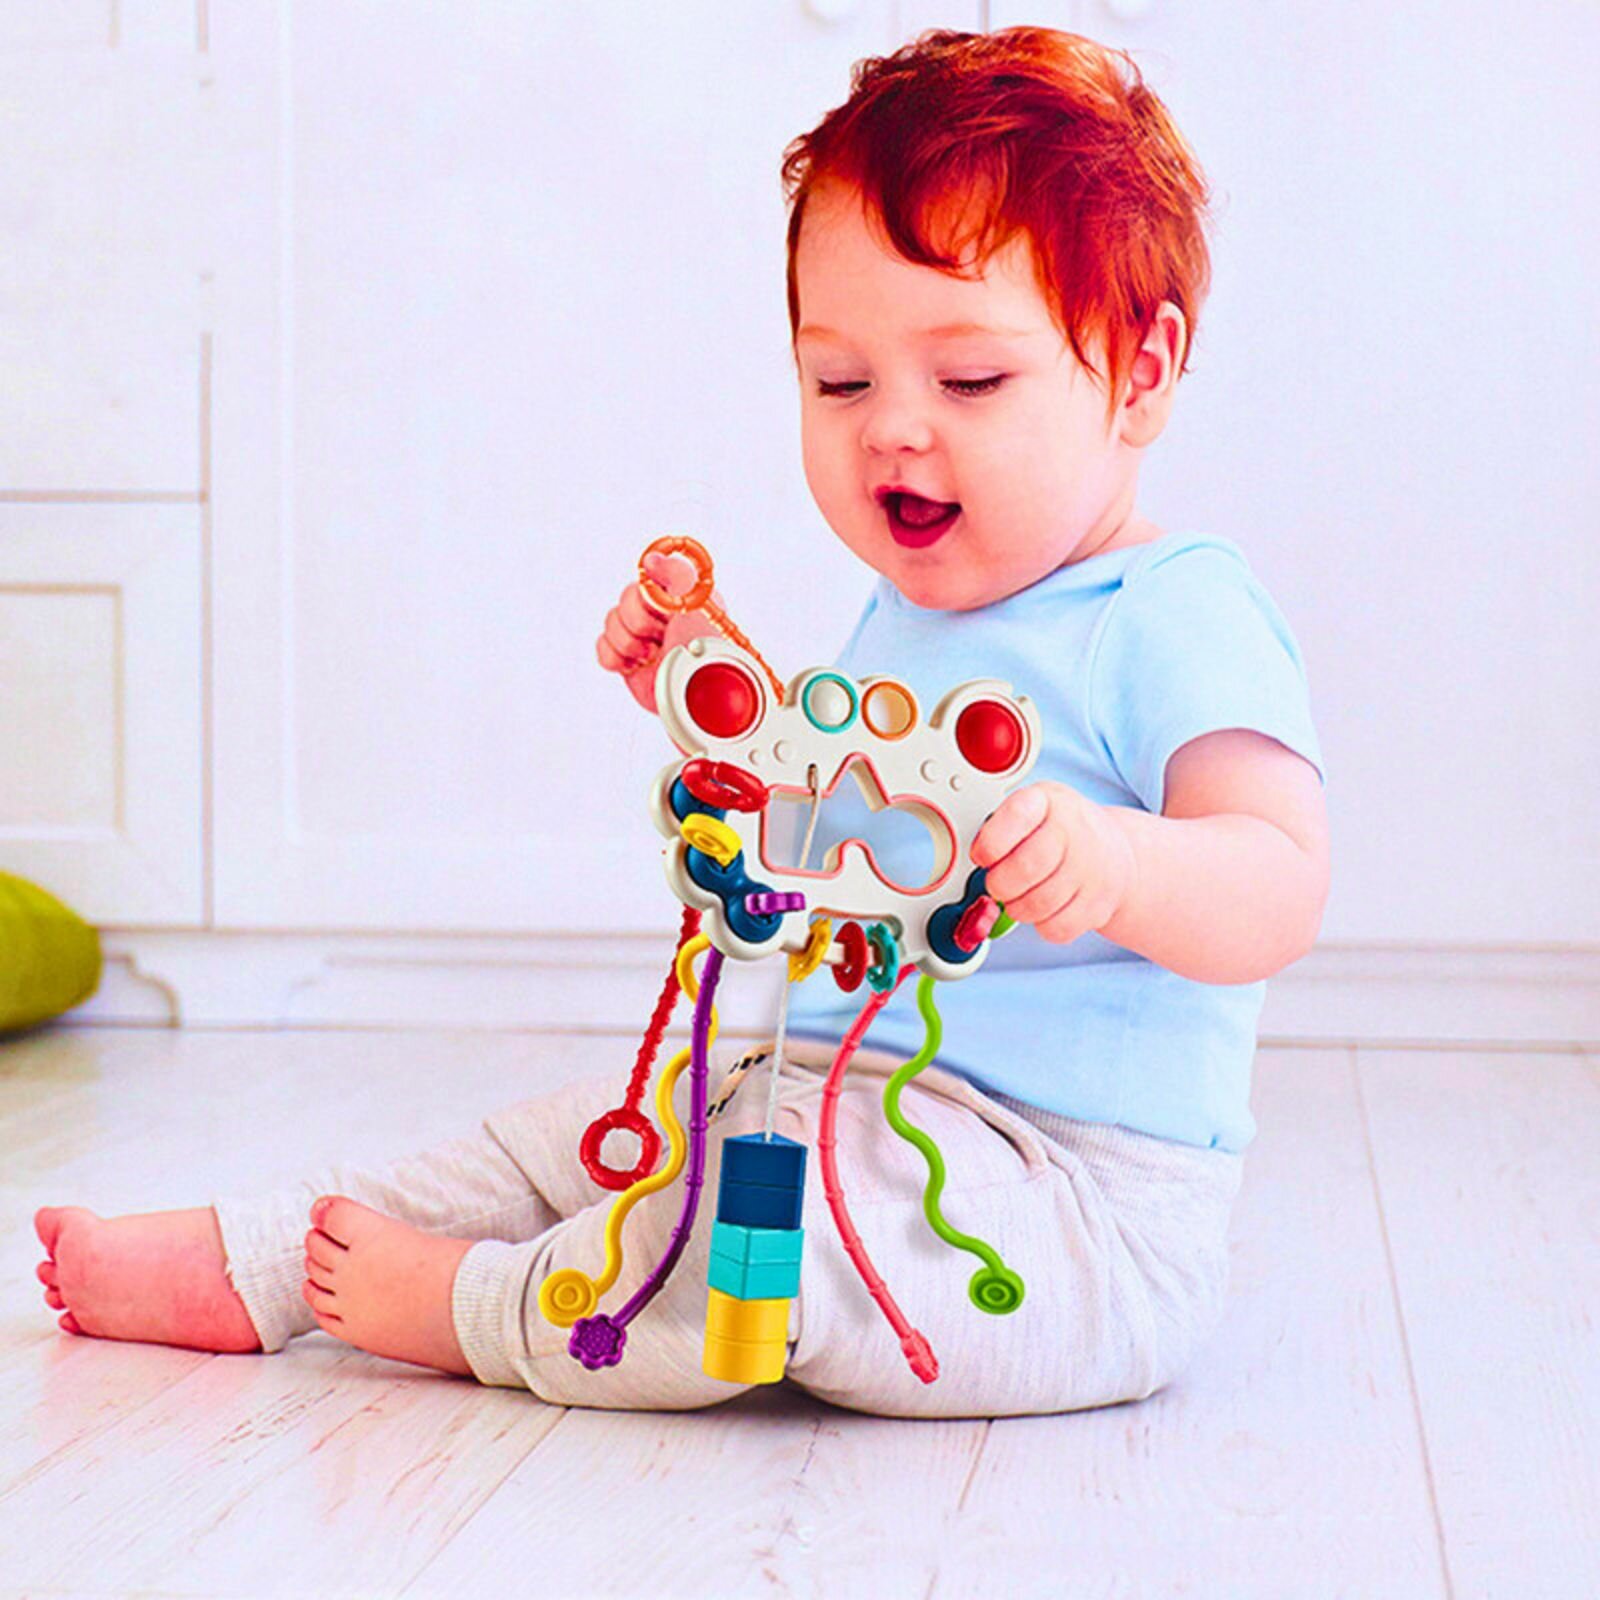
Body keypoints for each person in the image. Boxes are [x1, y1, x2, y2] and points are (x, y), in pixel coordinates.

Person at [33, 26, 1328, 1419]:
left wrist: (1119, 864)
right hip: (834, 1093)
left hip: (1063, 1207)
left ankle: (477, 1308)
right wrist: (710, 695)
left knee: (761, 1233)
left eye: (968, 382)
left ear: (1139, 372)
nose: (892, 429)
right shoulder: (910, 616)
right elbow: (830, 835)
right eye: (841, 382)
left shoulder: (1170, 609)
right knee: (586, 1140)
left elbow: (1280, 881)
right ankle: (264, 1258)